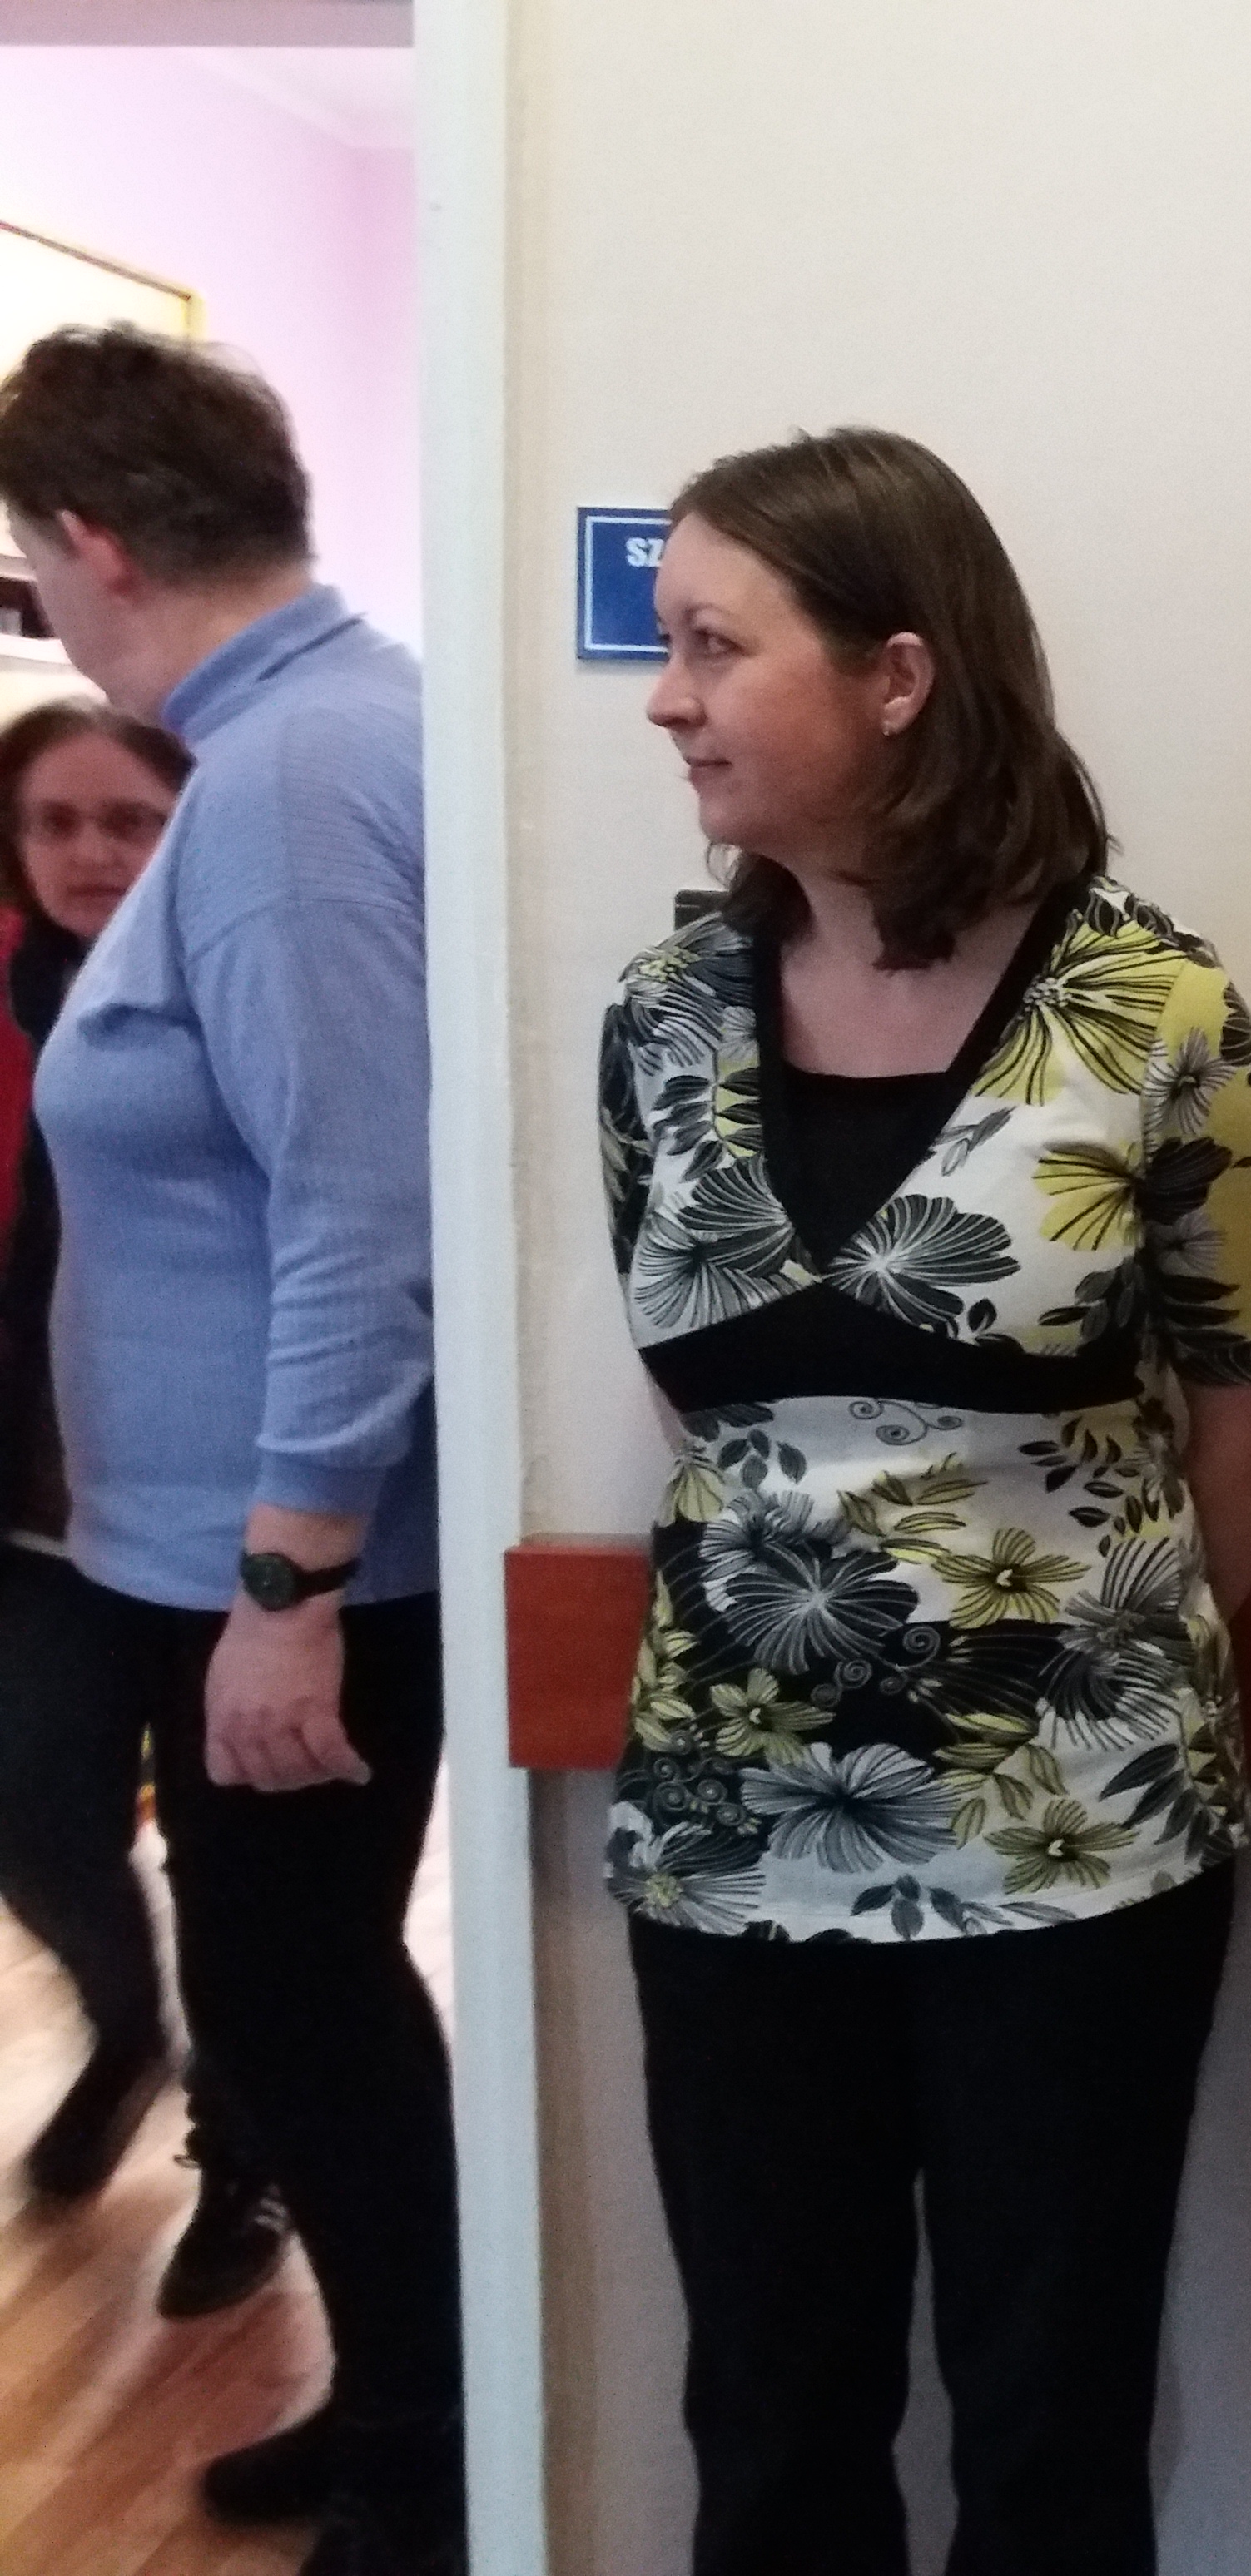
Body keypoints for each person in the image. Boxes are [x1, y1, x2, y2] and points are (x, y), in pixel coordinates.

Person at [602, 425, 1251, 2576]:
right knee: (771, 2421)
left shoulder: (1156, 1016)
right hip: (729, 1831)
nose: (667, 699)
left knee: (1049, 2425)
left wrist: (1089, 1657)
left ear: (898, 673)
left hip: (1077, 1842)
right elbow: (703, 1396)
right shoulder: (663, 1020)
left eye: (714, 646)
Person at [0, 326, 454, 2575]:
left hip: (289, 1572)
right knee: (300, 2006)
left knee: (307, 2015)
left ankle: (430, 2468)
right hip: (233, 1553)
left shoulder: (281, 788)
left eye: (29, 566)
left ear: (93, 541)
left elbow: (362, 1209)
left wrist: (288, 1584)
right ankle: (399, 2413)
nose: (45, 612)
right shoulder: (317, 734)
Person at [0, 698, 295, 2317]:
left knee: (232, 1870)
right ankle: (125, 2027)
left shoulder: (230, 983)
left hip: (206, 1512)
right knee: (34, 1806)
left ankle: (242, 2152)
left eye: (127, 819)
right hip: (37, 1507)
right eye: (55, 821)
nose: (91, 853)